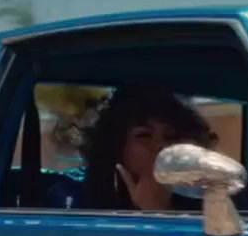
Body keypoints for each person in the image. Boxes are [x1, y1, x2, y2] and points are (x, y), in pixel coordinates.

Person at [76, 86, 217, 211]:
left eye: (170, 136)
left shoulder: (204, 200)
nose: (160, 145)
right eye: (144, 135)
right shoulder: (76, 197)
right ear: (116, 145)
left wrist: (158, 210)